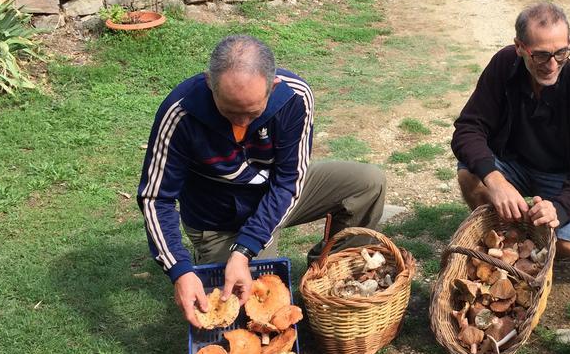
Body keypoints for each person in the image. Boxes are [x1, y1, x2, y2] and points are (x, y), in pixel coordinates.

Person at [138, 34, 386, 326]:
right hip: (217, 219)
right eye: (229, 111)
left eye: (252, 113)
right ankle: (213, 254)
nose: (241, 123)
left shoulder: (295, 97)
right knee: (249, 310)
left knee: (368, 182)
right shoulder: (180, 113)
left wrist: (245, 249)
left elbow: (288, 181)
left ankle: (330, 274)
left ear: (273, 86)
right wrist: (179, 269)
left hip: (273, 193)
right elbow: (156, 198)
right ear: (209, 84)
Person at [452, 2, 570, 258]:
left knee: (566, 245)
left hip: (562, 176)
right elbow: (468, 128)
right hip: (513, 164)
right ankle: (499, 236)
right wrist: (495, 180)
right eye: (541, 55)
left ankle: (524, 246)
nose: (552, 64)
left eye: (561, 53)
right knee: (470, 174)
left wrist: (559, 208)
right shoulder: (504, 63)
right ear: (520, 47)